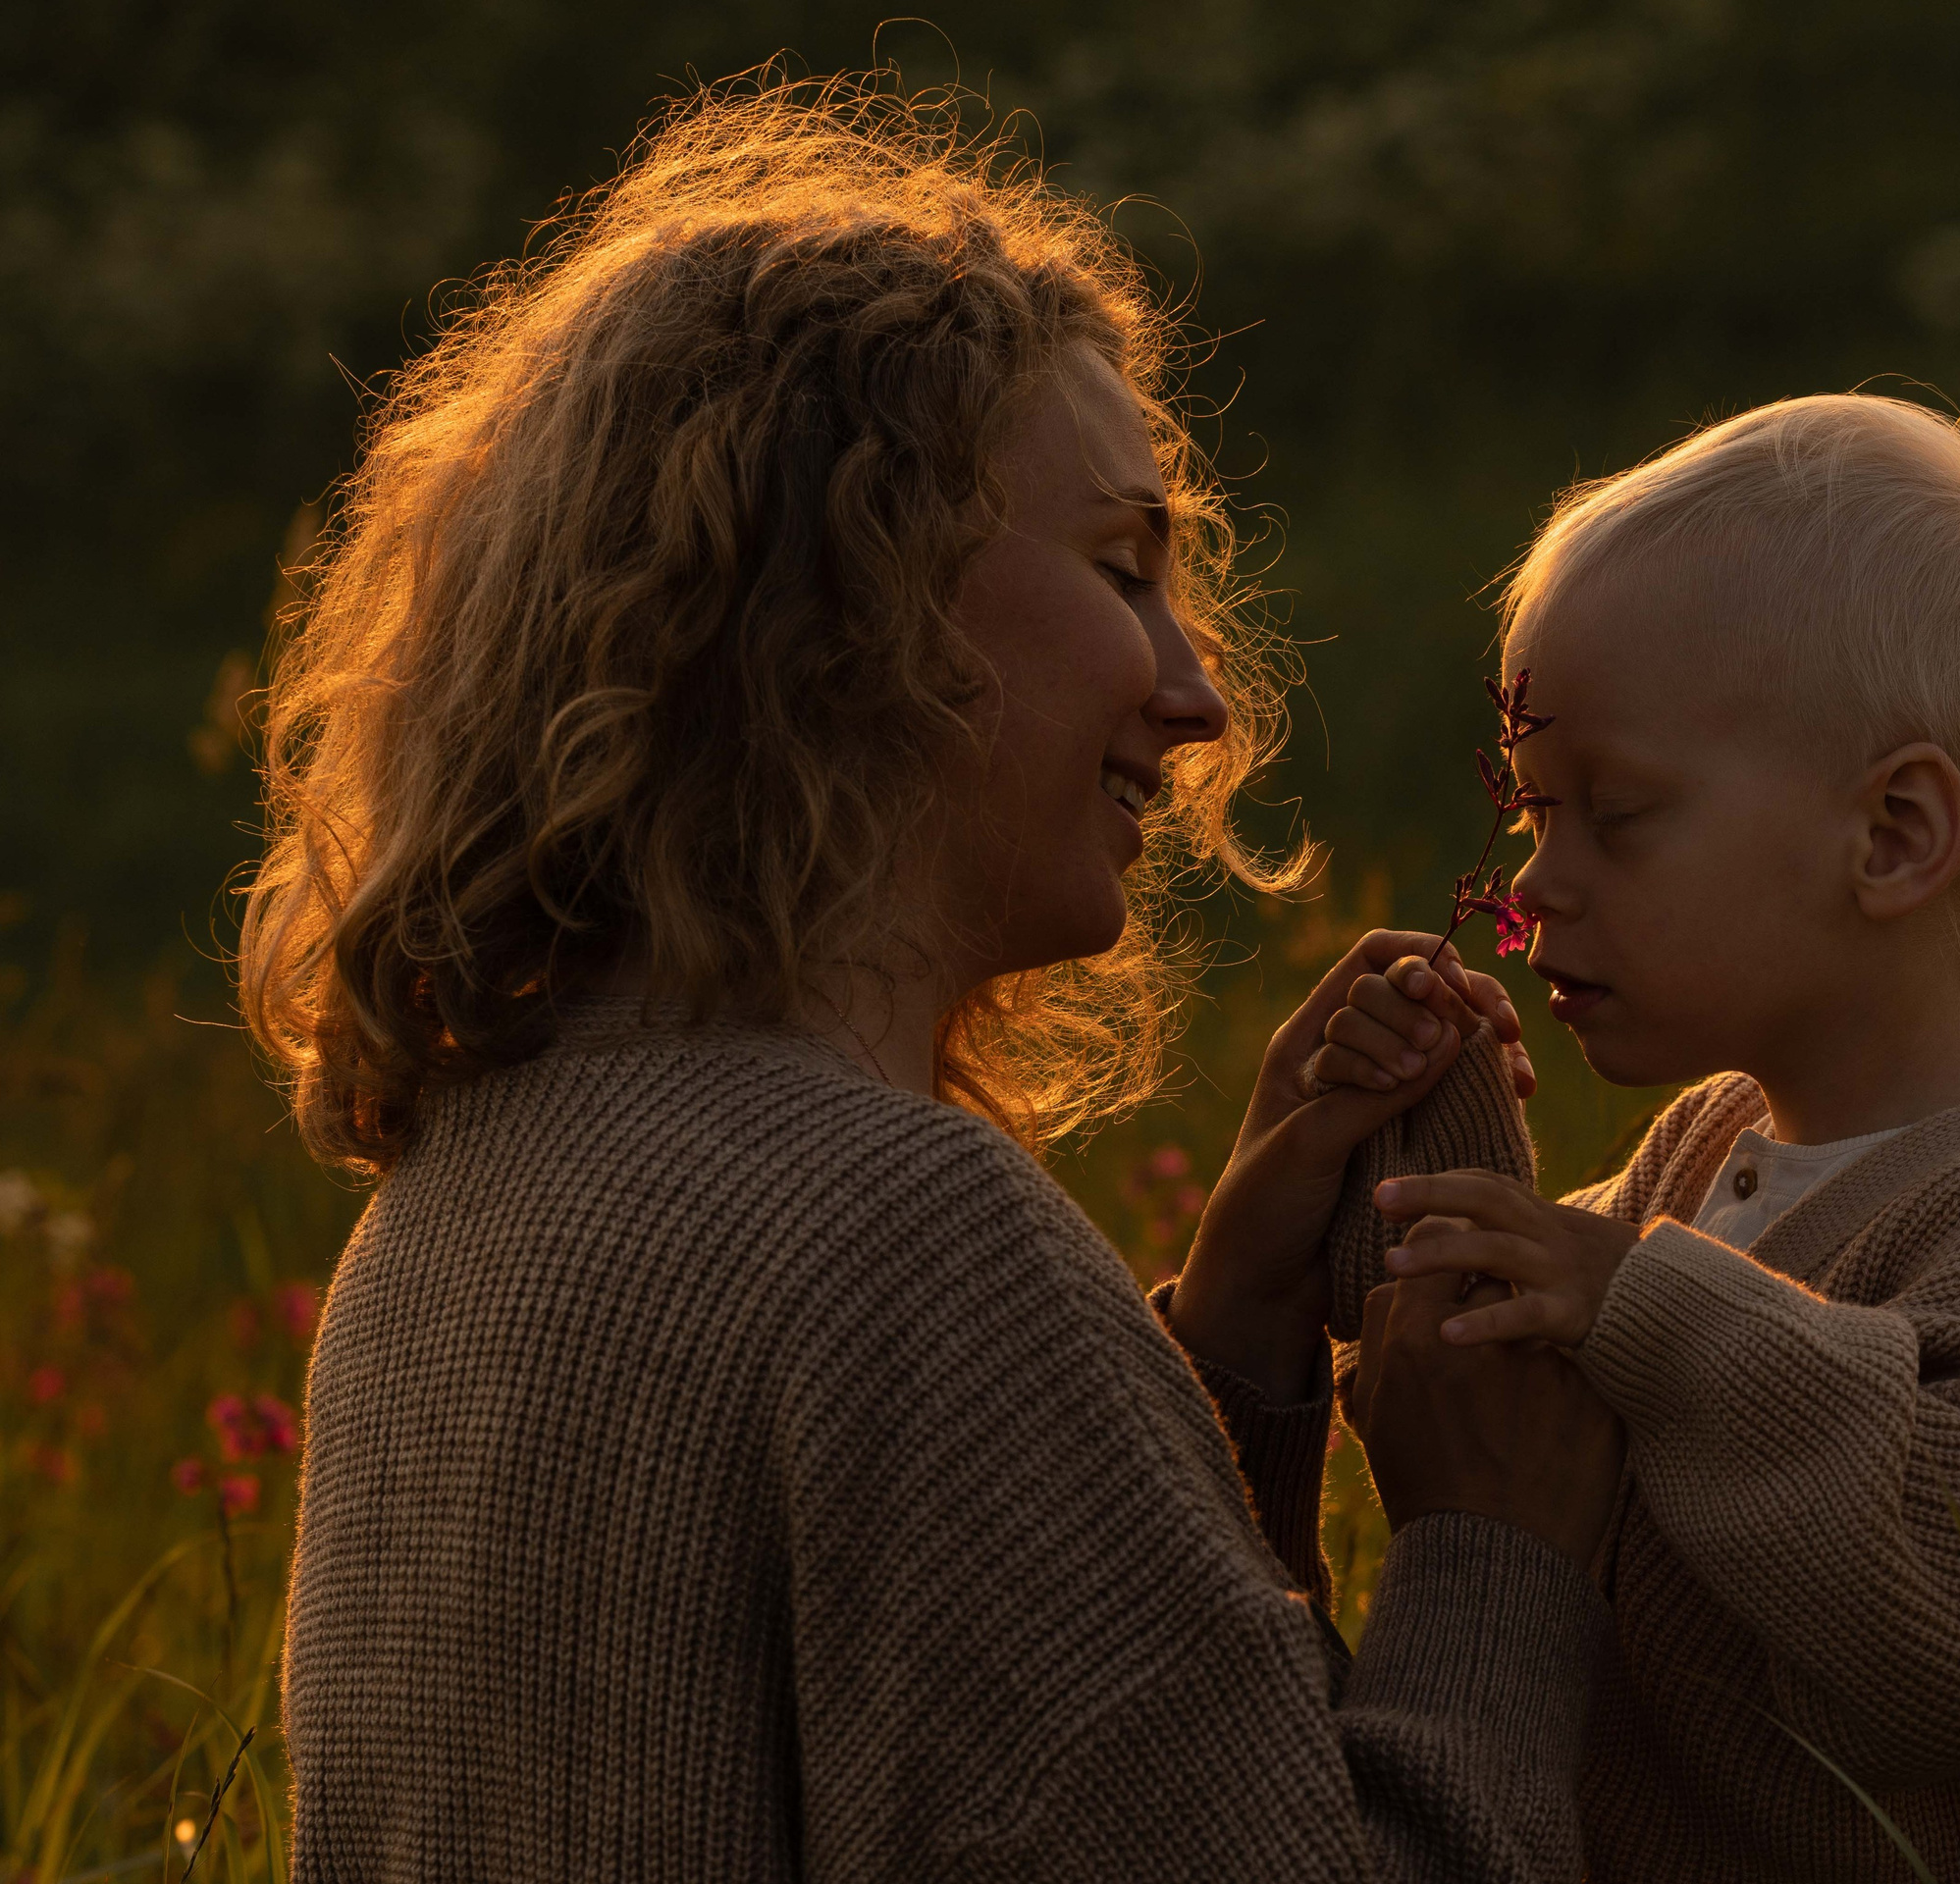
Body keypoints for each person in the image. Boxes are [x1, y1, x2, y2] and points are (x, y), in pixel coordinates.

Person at [241, 78, 1624, 1882]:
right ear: (844, 606)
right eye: (1125, 567)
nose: (1200, 696)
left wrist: (1221, 1386)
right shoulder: (904, 1242)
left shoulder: (454, 1216)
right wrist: (1497, 1545)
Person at [1310, 394, 1960, 1881]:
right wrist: (1393, 1146)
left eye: (1615, 814)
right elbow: (1504, 1383)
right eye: (1534, 816)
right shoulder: (1695, 1158)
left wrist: (1642, 1305)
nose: (1536, 888)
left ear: (1891, 837)